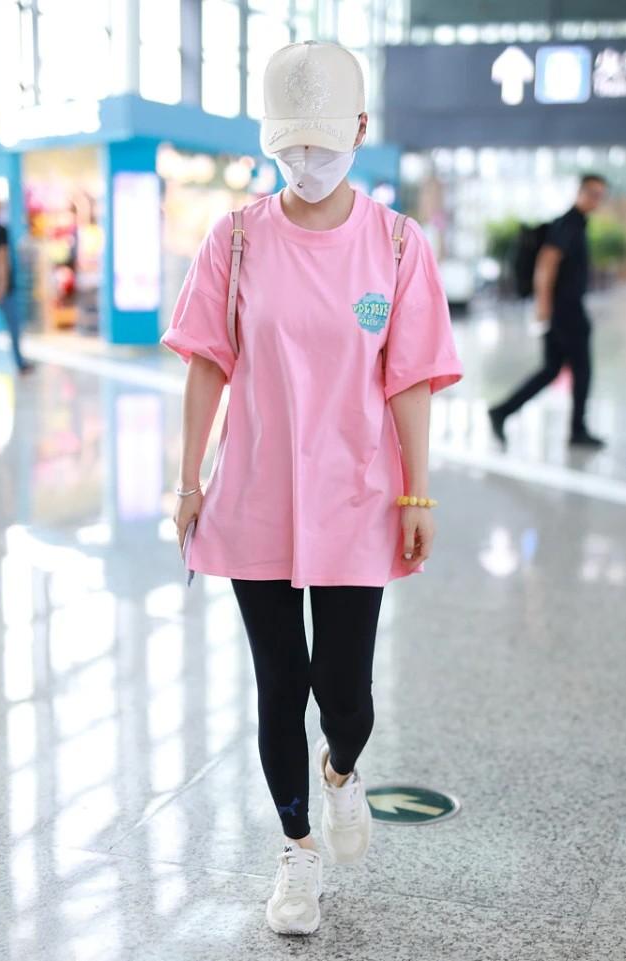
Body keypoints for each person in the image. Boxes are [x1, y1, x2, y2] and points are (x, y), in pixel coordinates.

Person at [161, 40, 463, 936]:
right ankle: (295, 852)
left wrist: (416, 494)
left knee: (345, 693)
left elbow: (408, 379)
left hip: (357, 497)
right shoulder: (237, 238)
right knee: (279, 681)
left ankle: (340, 771)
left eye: (322, 144)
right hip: (254, 492)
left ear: (360, 131)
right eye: (289, 145)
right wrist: (187, 481)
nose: (306, 160)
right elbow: (206, 364)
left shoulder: (397, 244)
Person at [489, 174, 608, 448]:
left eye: (600, 195)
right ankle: (577, 430)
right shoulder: (569, 224)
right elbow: (546, 264)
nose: (596, 199)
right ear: (580, 192)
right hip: (565, 312)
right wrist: (543, 308)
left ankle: (502, 411)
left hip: (564, 310)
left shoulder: (576, 224)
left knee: (551, 370)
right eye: (592, 193)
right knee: (582, 370)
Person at [0, 192, 34, 374]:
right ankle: (20, 363)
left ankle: (21, 363)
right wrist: (1, 286)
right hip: (2, 288)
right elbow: (1, 259)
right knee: (14, 327)